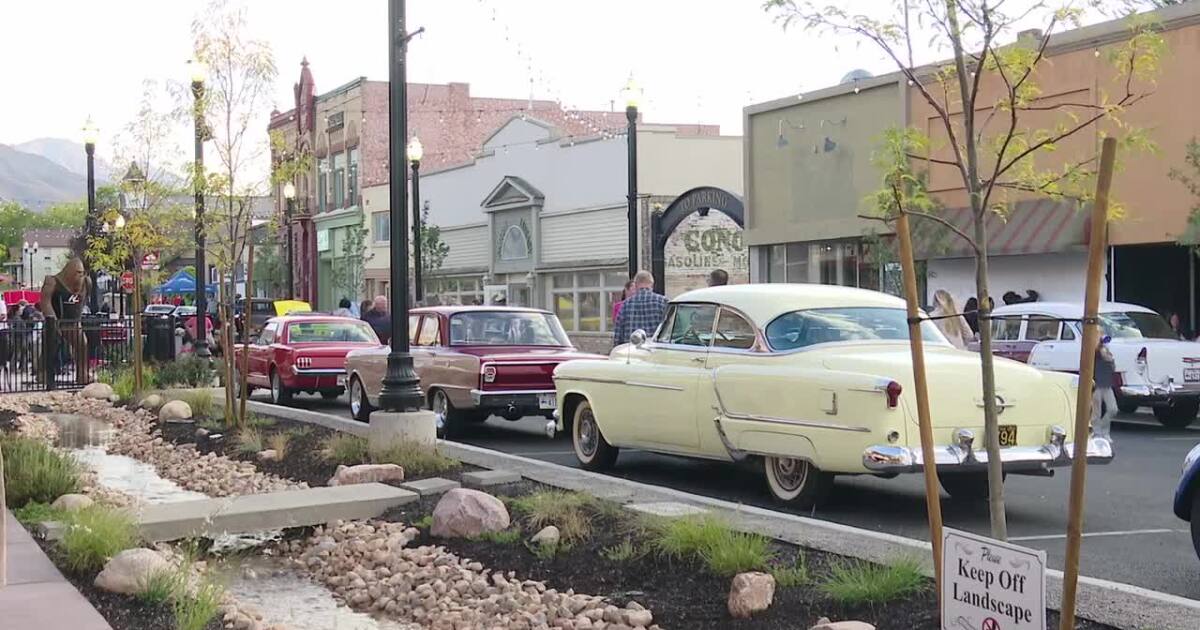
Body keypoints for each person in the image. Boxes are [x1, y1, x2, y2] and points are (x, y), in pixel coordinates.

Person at [38, 258, 91, 384]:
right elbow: (45, 302)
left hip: (73, 323)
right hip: (55, 322)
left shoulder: (86, 283)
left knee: (82, 344)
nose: (80, 276)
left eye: (81, 273)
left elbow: (82, 301)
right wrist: (53, 322)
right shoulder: (52, 281)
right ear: (70, 272)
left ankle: (82, 374)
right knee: (50, 345)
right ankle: (43, 374)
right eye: (77, 272)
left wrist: (78, 319)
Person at [613, 270, 669, 346]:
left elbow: (618, 335)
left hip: (631, 352)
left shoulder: (625, 305)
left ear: (635, 285)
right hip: (655, 351)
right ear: (652, 285)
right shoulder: (663, 302)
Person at [1093, 336, 1116, 440]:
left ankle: (1104, 430)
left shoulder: (1107, 352)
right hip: (1096, 385)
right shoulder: (1095, 352)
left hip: (1107, 385)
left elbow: (1113, 367)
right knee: (1096, 412)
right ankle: (1097, 432)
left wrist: (1108, 356)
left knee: (1113, 409)